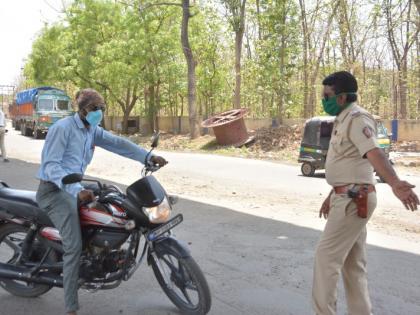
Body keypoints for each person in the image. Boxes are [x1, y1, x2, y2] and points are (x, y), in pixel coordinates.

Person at [36, 88, 167, 315]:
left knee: (113, 198)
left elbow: (118, 143)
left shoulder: (92, 130)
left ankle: (97, 249)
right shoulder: (62, 129)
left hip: (75, 185)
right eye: (94, 108)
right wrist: (76, 190)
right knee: (73, 246)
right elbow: (51, 167)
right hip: (55, 190)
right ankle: (71, 307)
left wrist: (147, 156)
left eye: (102, 108)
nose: (99, 112)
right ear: (82, 109)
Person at [312, 71, 419, 315]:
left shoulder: (357, 118)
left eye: (326, 95)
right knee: (352, 265)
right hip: (350, 195)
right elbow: (350, 165)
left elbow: (374, 153)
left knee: (325, 258)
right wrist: (332, 195)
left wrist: (394, 183)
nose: (323, 100)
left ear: (341, 97)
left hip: (353, 199)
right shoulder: (343, 119)